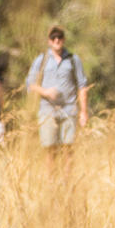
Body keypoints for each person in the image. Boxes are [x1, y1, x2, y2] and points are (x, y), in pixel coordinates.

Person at [25, 25, 90, 158]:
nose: (56, 40)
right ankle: (51, 179)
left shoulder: (73, 59)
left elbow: (82, 85)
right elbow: (30, 84)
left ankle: (67, 179)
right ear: (49, 41)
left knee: (68, 148)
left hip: (69, 109)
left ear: (64, 39)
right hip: (48, 110)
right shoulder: (41, 60)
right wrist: (46, 92)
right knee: (50, 149)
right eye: (53, 37)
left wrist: (83, 112)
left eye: (59, 37)